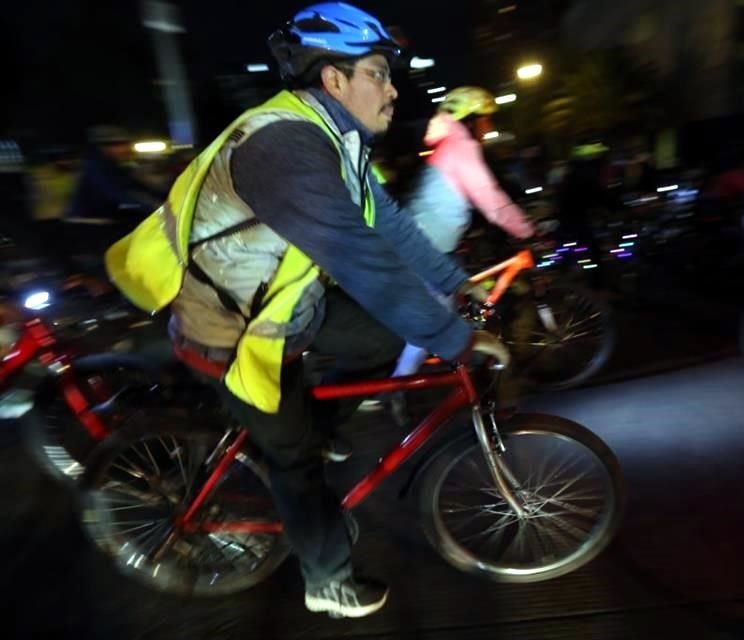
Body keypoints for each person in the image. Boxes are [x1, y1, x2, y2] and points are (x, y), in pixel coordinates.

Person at [105, 3, 507, 618]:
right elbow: (362, 260)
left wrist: (455, 284)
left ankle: (325, 437)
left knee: (379, 340)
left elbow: (388, 225)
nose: (393, 88)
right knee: (296, 465)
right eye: (379, 72)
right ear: (334, 80)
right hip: (234, 336)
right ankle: (327, 581)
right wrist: (456, 339)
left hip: (287, 311)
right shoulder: (285, 146)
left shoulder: (334, 138)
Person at [369, 87, 534, 421]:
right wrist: (527, 229)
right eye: (484, 118)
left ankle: (467, 385)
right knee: (437, 319)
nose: (488, 126)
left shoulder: (449, 146)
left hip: (431, 244)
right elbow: (491, 199)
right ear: (468, 120)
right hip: (428, 250)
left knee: (453, 313)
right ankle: (395, 389)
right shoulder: (461, 147)